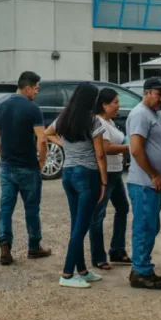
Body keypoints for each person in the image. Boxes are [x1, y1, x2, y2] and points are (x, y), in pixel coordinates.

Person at [42, 82, 108, 288]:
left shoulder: (64, 117)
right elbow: (100, 155)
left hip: (68, 173)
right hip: (87, 174)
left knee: (76, 224)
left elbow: (47, 132)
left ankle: (82, 270)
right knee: (81, 227)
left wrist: (65, 145)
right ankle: (67, 273)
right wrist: (104, 181)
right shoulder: (93, 121)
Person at [0, 71, 52, 265]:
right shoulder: (33, 109)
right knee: (31, 208)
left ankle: (4, 244)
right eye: (36, 89)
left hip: (7, 167)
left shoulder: (0, 107)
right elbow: (42, 139)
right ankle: (34, 246)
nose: (36, 93)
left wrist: (1, 156)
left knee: (6, 207)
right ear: (27, 88)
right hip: (28, 167)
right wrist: (42, 161)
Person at [126, 76, 161, 290]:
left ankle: (140, 265)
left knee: (151, 226)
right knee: (144, 227)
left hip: (154, 183)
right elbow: (136, 149)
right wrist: (153, 174)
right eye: (158, 94)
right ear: (146, 93)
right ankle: (141, 271)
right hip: (145, 183)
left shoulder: (155, 112)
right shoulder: (140, 114)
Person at [89, 88, 131, 270]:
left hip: (116, 172)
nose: (118, 106)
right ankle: (98, 256)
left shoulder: (110, 122)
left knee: (123, 207)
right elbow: (105, 148)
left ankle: (117, 250)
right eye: (115, 102)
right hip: (105, 173)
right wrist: (129, 148)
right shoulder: (99, 122)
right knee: (98, 214)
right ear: (104, 105)